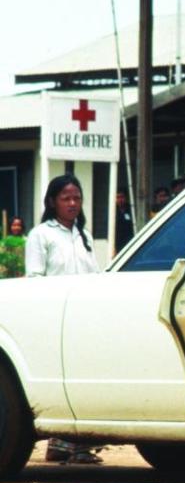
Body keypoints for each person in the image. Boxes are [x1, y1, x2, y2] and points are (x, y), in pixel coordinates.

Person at [25, 174, 103, 465]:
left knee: (84, 381)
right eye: (66, 198)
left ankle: (76, 445)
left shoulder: (84, 236)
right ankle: (60, 443)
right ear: (52, 202)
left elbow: (94, 275)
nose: (73, 204)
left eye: (77, 198)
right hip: (54, 319)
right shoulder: (41, 235)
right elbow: (34, 278)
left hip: (82, 320)